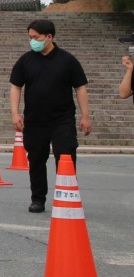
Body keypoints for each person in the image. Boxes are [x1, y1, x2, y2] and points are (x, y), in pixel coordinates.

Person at [9, 19, 91, 213]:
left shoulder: (67, 60)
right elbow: (16, 86)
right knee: (36, 159)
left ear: (49, 37)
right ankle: (38, 199)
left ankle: (67, 195)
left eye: (36, 38)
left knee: (66, 157)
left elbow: (80, 87)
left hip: (62, 119)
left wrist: (85, 115)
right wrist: (15, 113)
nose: (32, 41)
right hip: (35, 119)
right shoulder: (25, 60)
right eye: (30, 38)